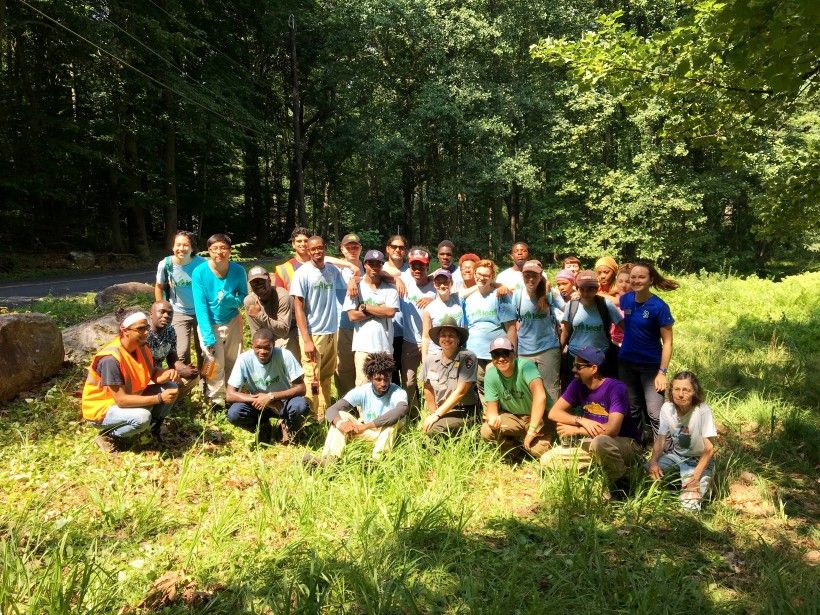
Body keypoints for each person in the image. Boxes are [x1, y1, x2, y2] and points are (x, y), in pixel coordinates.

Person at [542, 346, 642, 498]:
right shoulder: (577, 385)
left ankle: (621, 487)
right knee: (547, 460)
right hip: (592, 443)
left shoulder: (616, 388)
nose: (573, 370)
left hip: (624, 443)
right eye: (574, 365)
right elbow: (554, 413)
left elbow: (611, 430)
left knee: (600, 443)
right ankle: (598, 468)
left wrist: (576, 430)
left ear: (594, 368)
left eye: (578, 366)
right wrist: (580, 420)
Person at [82, 309, 179, 452]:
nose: (146, 332)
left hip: (128, 398)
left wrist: (165, 374)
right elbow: (121, 400)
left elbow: (152, 373)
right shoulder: (110, 359)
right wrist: (159, 398)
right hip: (102, 409)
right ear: (125, 331)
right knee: (142, 417)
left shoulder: (142, 347)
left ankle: (152, 429)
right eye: (140, 329)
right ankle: (109, 436)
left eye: (146, 328)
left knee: (170, 387)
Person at [308, 352, 409, 464]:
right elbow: (332, 410)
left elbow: (401, 410)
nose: (384, 383)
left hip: (386, 434)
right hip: (367, 432)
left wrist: (366, 426)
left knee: (393, 422)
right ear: (370, 378)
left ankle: (377, 461)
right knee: (341, 416)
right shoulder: (362, 391)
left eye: (387, 378)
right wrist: (342, 424)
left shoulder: (397, 392)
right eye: (378, 380)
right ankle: (331, 459)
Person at [619, 260, 679, 438]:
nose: (636, 281)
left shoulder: (659, 307)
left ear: (650, 280)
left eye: (641, 277)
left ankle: (666, 449)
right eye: (633, 277)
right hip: (626, 363)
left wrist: (662, 372)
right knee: (632, 408)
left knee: (655, 411)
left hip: (651, 366)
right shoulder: (626, 299)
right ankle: (638, 444)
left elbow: (668, 342)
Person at [290, 235, 347, 420]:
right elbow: (298, 306)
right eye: (312, 249)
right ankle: (312, 415)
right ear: (308, 250)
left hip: (331, 331)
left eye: (320, 248)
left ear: (325, 248)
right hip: (314, 334)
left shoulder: (332, 271)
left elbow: (344, 289)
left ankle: (326, 411)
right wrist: (306, 340)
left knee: (326, 375)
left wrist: (354, 279)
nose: (316, 252)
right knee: (312, 377)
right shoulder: (302, 273)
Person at [192, 233, 247, 412]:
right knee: (214, 362)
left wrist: (231, 299)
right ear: (209, 251)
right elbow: (200, 307)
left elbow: (245, 298)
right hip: (209, 322)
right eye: (215, 248)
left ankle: (233, 396)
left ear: (229, 251)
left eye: (223, 248)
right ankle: (216, 401)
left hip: (232, 320)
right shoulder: (199, 272)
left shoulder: (238, 270)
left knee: (234, 360)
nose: (219, 252)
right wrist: (207, 336)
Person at [226, 328, 309, 446]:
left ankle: (287, 427)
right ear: (252, 345)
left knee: (300, 406)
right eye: (258, 347)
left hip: (282, 402)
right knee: (234, 414)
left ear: (273, 345)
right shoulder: (244, 359)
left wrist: (272, 397)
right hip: (257, 405)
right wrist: (261, 399)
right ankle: (262, 426)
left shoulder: (284, 355)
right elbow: (230, 394)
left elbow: (301, 388)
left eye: (267, 347)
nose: (262, 351)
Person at [648, 372, 717, 511]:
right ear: (671, 390)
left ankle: (707, 483)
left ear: (694, 392)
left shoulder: (702, 410)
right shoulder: (667, 408)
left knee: (689, 506)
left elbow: (709, 449)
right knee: (647, 472)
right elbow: (661, 439)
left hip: (699, 461)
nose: (680, 394)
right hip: (677, 457)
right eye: (676, 389)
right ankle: (677, 484)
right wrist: (654, 461)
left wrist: (695, 477)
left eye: (686, 390)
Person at [479, 337, 553, 460]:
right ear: (492, 358)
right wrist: (492, 419)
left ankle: (533, 440)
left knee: (539, 451)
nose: (501, 358)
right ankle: (513, 449)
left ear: (513, 354)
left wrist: (532, 429)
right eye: (496, 355)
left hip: (539, 416)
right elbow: (492, 409)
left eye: (505, 353)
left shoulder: (526, 367)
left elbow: (540, 396)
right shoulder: (491, 375)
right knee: (487, 430)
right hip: (514, 416)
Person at [343, 249, 399, 386]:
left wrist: (365, 307)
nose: (374, 267)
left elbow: (390, 312)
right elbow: (352, 316)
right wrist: (380, 309)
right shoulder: (355, 287)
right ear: (365, 265)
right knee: (363, 386)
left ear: (382, 265)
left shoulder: (390, 288)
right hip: (363, 347)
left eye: (378, 264)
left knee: (384, 385)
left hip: (384, 347)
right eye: (371, 263)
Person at [153, 231, 207, 373]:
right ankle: (184, 385)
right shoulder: (166, 264)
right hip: (178, 311)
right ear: (172, 247)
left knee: (205, 350)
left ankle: (205, 384)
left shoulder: (202, 264)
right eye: (178, 245)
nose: (181, 248)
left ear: (192, 248)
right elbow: (159, 286)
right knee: (180, 353)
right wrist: (161, 310)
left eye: (185, 245)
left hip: (201, 312)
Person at [463, 259, 516, 400]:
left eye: (486, 275)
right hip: (475, 350)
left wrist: (512, 351)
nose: (481, 278)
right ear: (474, 274)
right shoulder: (468, 299)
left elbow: (511, 327)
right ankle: (488, 415)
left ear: (492, 277)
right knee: (480, 382)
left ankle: (502, 414)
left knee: (497, 383)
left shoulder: (500, 295)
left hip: (497, 350)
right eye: (478, 274)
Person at [419, 316, 479, 438]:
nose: (447, 338)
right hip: (441, 410)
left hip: (462, 410)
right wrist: (433, 412)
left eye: (451, 335)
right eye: (443, 335)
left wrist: (436, 416)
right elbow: (427, 386)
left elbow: (461, 391)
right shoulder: (430, 360)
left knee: (432, 430)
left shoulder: (468, 357)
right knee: (425, 428)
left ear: (458, 339)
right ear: (438, 339)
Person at [560, 270, 622, 385]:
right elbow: (566, 331)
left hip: (600, 358)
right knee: (573, 395)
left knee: (599, 396)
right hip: (575, 358)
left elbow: (624, 327)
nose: (585, 293)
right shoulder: (572, 305)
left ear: (596, 288)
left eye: (590, 289)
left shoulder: (606, 305)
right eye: (582, 289)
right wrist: (559, 351)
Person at [513, 260, 563, 405]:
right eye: (527, 275)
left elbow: (568, 310)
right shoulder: (518, 295)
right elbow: (512, 320)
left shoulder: (549, 293)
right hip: (524, 349)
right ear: (522, 276)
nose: (530, 279)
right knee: (527, 388)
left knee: (551, 388)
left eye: (534, 275)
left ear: (540, 276)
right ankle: (533, 420)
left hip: (548, 347)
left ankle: (552, 421)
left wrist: (577, 297)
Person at [399, 247, 436, 412]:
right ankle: (413, 413)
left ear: (428, 266)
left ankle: (433, 412)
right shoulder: (404, 282)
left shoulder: (437, 284)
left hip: (433, 342)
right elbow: (382, 272)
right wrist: (397, 280)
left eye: (421, 266)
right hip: (410, 341)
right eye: (414, 266)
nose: (417, 270)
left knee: (433, 379)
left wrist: (433, 298)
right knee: (409, 381)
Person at [273, 227, 311, 362]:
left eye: (306, 241)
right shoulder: (283, 269)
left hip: (316, 324)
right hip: (292, 325)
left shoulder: (320, 265)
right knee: (292, 365)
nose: (302, 244)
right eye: (299, 241)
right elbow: (277, 298)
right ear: (293, 244)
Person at [146, 300, 198, 398]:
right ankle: (158, 402)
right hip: (146, 378)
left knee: (193, 377)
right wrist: (176, 373)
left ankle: (171, 402)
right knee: (172, 386)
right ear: (151, 314)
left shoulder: (170, 331)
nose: (166, 316)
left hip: (161, 375)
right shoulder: (144, 334)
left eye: (170, 313)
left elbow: (173, 359)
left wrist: (185, 369)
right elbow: (146, 369)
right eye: (162, 312)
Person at [383, 234, 409, 385]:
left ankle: (412, 404)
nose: (397, 250)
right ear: (387, 249)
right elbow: (373, 274)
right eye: (394, 247)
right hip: (388, 329)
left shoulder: (410, 269)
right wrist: (396, 279)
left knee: (407, 373)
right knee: (391, 371)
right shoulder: (380, 267)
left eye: (401, 247)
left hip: (407, 331)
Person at [421, 268, 464, 358]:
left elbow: (478, 287)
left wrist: (496, 285)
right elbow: (426, 337)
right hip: (436, 354)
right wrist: (425, 359)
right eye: (438, 283)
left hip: (457, 352)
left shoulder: (458, 299)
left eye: (446, 282)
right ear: (434, 285)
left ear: (451, 283)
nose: (442, 285)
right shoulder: (429, 309)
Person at [244, 266, 291, 340]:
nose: (259, 286)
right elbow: (256, 332)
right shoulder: (250, 301)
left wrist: (259, 315)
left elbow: (284, 331)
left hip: (288, 335)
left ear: (269, 281)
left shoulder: (282, 296)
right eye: (254, 284)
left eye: (262, 282)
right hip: (267, 339)